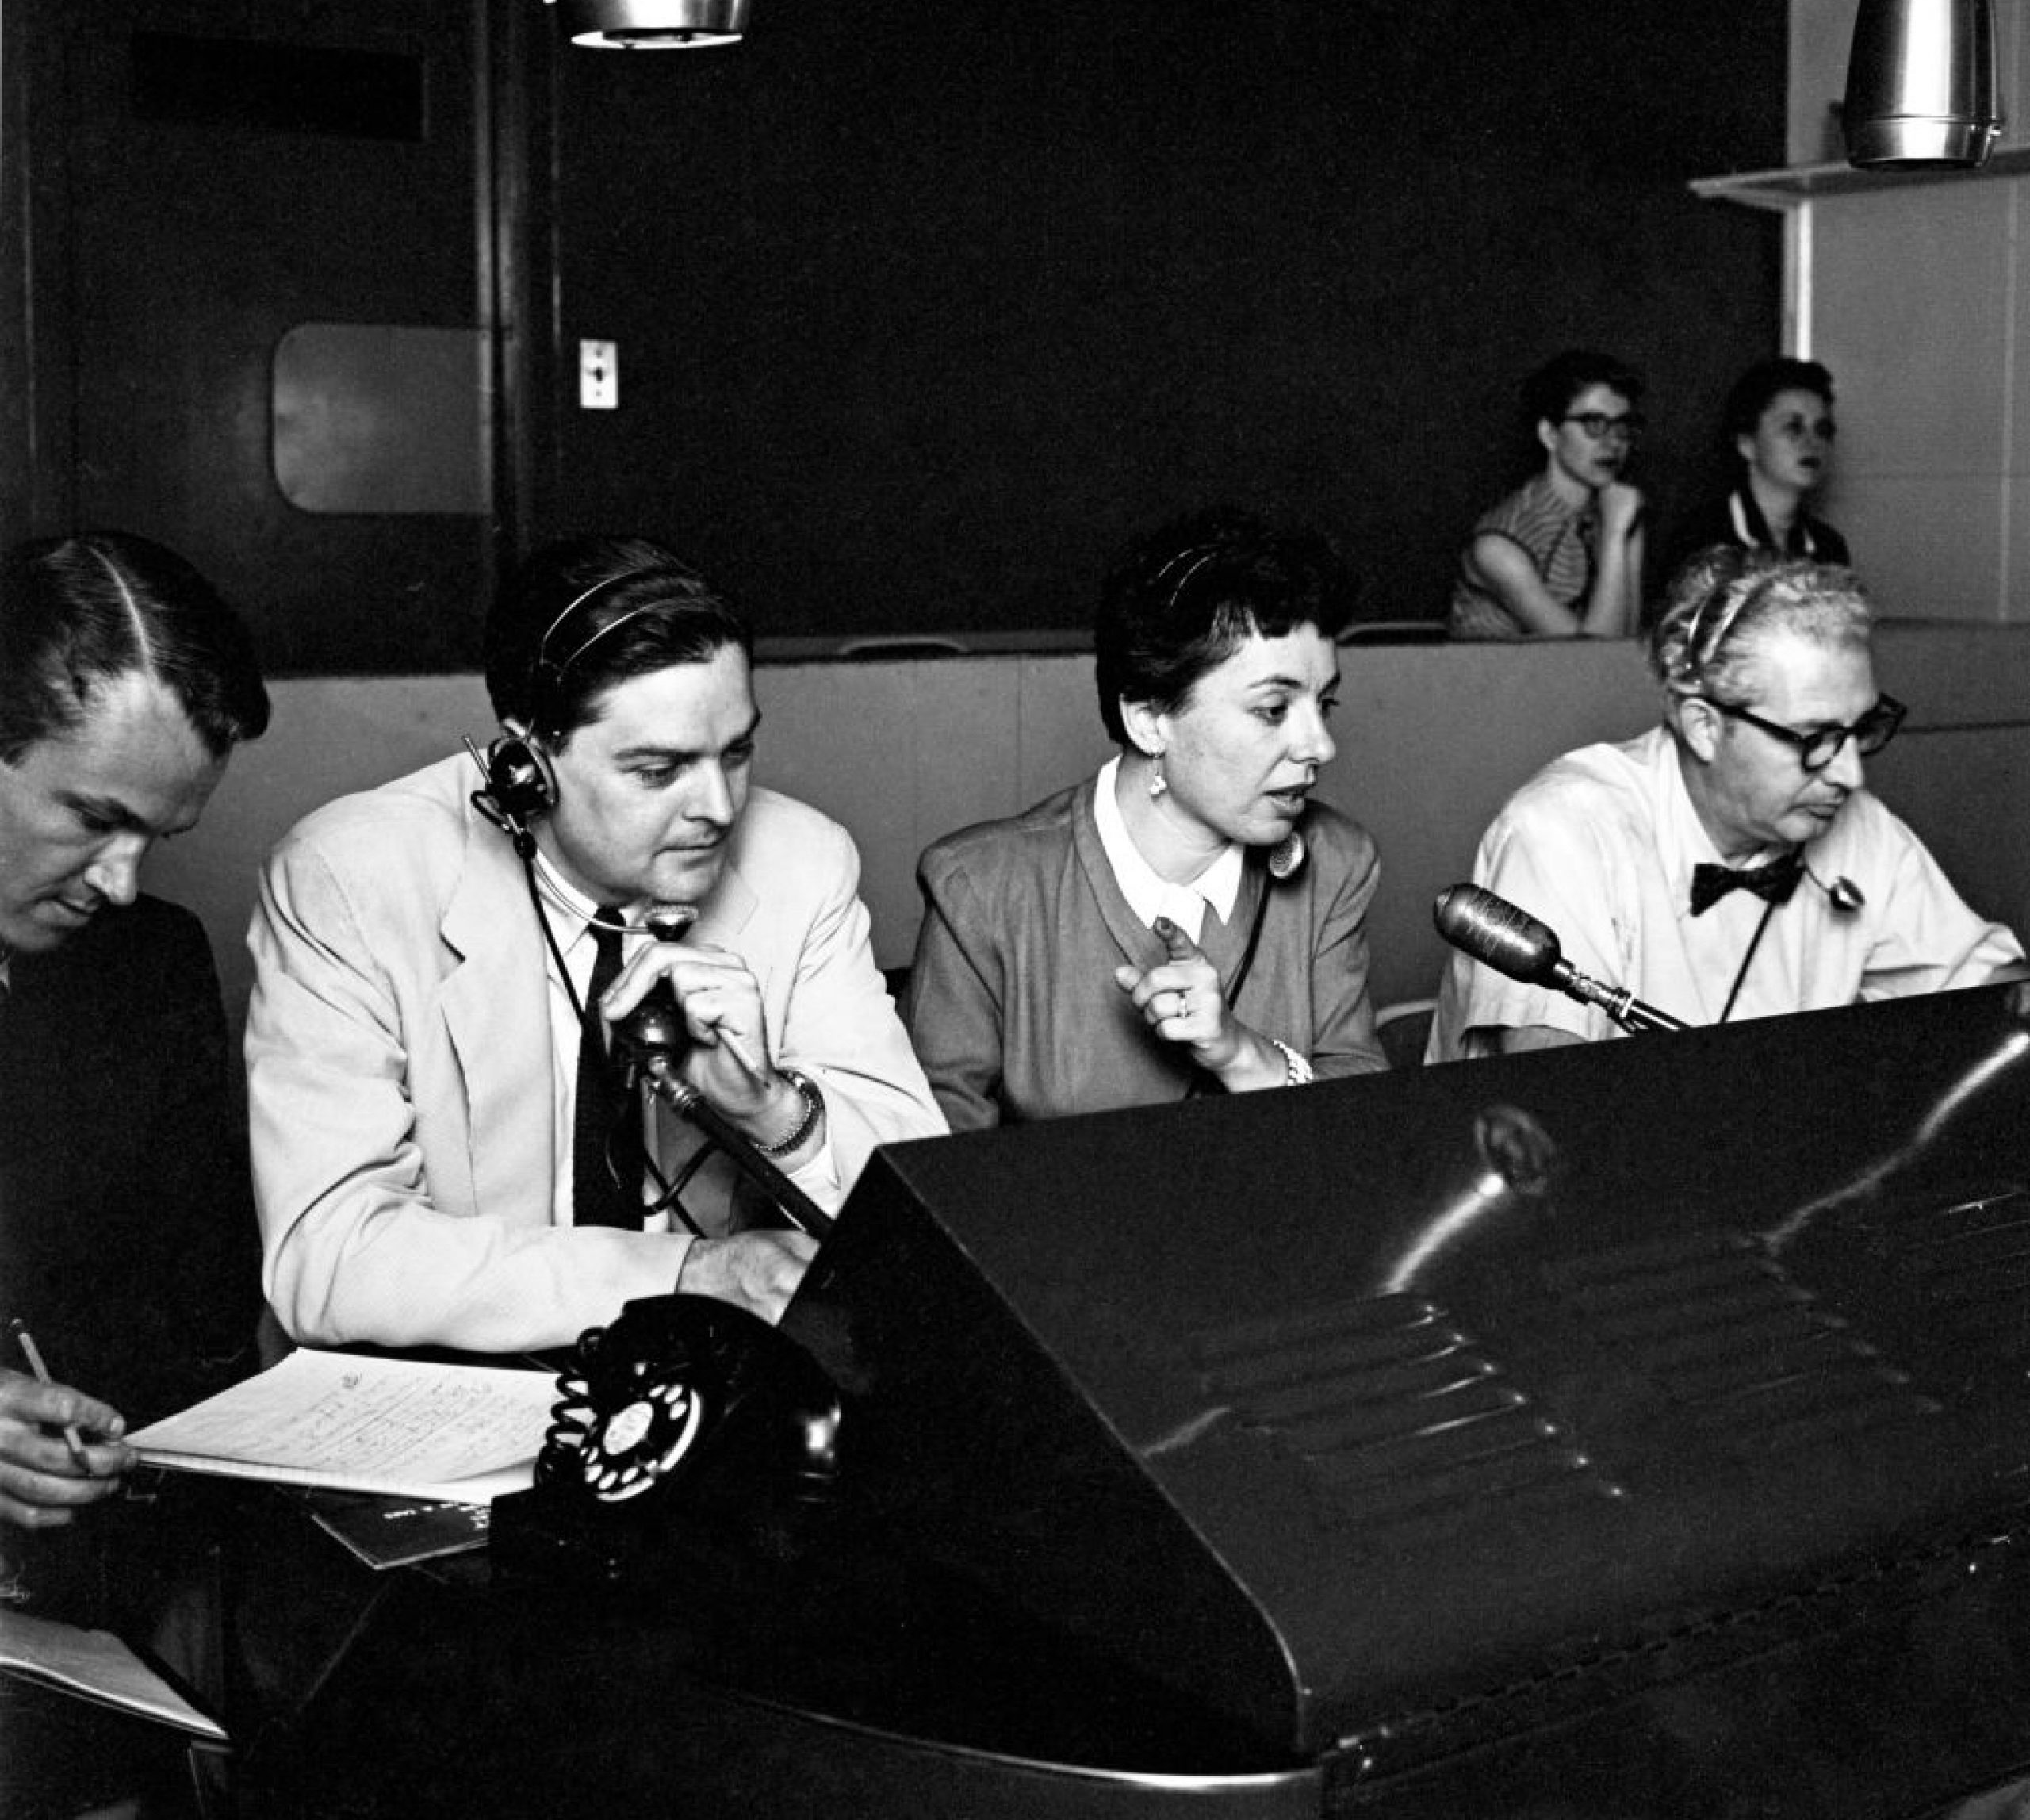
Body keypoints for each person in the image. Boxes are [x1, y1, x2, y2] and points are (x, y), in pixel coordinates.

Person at [247, 535, 944, 1354]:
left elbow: (927, 1227)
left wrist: (775, 1111)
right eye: (658, 770)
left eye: (737, 752)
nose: (717, 807)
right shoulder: (349, 876)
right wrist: (687, 1273)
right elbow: (331, 1257)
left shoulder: (803, 862)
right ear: (527, 763)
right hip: (451, 1396)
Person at [0, 529, 269, 1814]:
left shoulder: (154, 966)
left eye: (158, 835)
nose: (123, 881)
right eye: (96, 818)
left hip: (93, 1639)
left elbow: (200, 1318)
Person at [1427, 547, 2023, 1059]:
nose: (1850, 772)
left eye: (1861, 729)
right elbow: (1549, 1102)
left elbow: (1993, 993)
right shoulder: (1562, 829)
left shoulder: (1857, 825)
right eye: (1814, 738)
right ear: (1704, 726)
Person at [904, 507, 1387, 1128]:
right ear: (1149, 720)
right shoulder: (983, 889)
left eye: (1324, 704)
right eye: (1273, 709)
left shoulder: (1336, 863)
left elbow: (1365, 1120)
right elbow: (932, 1166)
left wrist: (1243, 1054)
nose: (1320, 746)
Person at [1447, 349, 1649, 641]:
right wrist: (1615, 536)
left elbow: (1627, 649)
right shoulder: (1499, 546)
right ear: (1550, 434)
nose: (1613, 442)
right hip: (1495, 683)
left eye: (1622, 426)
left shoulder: (1617, 511)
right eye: (1594, 425)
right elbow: (1594, 659)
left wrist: (1623, 534)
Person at [1668, 357, 1849, 569]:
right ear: (1747, 443)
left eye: (1823, 430)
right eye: (1793, 427)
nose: (1812, 442)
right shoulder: (1701, 539)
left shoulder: (1828, 547)